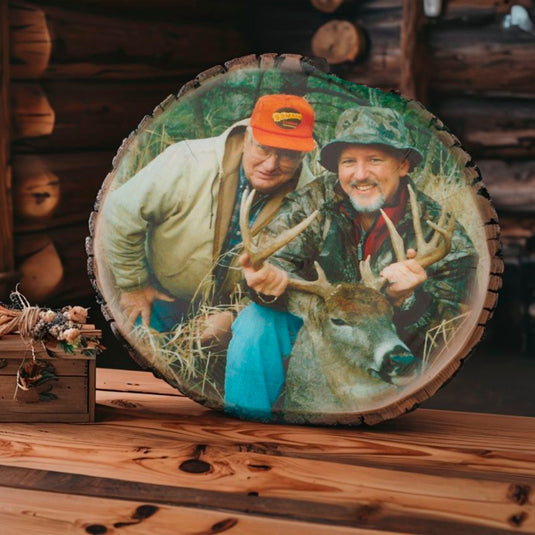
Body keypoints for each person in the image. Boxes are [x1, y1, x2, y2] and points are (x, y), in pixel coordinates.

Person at [224, 106, 478, 420]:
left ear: (402, 165)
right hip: (318, 326)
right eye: (348, 162)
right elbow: (273, 265)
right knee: (254, 324)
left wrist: (409, 301)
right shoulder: (313, 203)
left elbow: (456, 328)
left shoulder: (437, 230)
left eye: (374, 160)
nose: (359, 175)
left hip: (390, 343)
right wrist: (269, 284)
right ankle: (245, 437)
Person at [101, 94, 316, 335]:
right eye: (264, 148)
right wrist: (134, 286)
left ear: (303, 155)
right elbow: (119, 212)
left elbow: (302, 277)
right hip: (160, 299)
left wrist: (235, 316)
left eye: (288, 155)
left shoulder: (311, 200)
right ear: (247, 138)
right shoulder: (188, 161)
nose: (270, 165)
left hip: (234, 319)